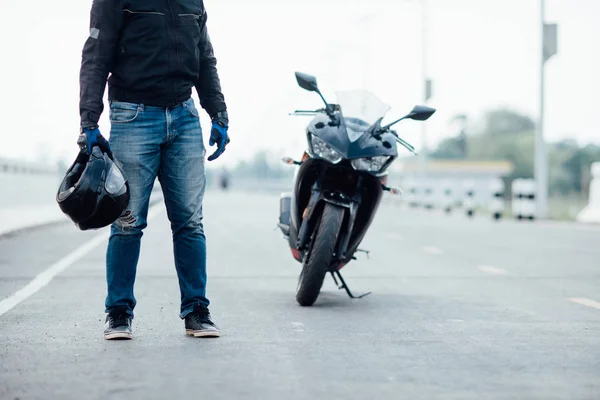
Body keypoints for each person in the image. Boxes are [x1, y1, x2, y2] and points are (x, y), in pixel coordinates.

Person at [78, 0, 229, 340]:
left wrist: (217, 112)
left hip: (184, 115)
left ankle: (196, 311)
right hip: (134, 116)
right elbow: (96, 55)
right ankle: (118, 312)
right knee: (127, 221)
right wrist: (89, 120)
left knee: (190, 221)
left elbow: (205, 57)